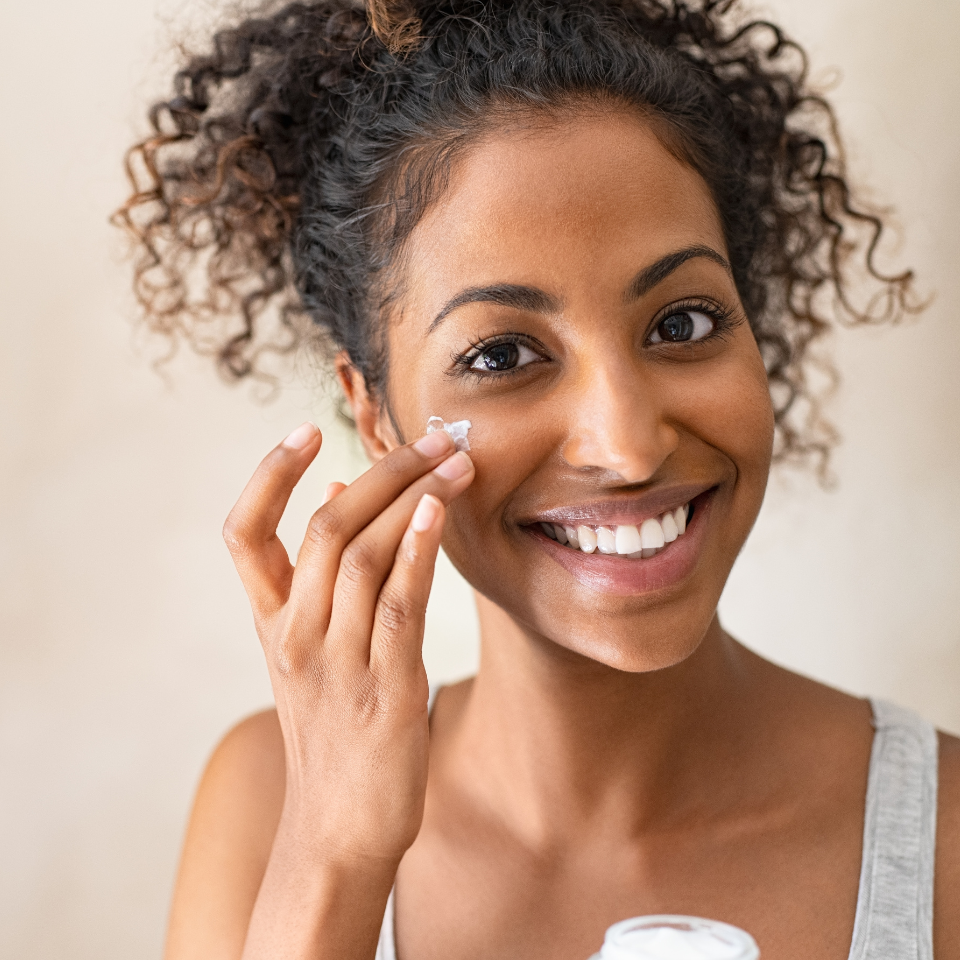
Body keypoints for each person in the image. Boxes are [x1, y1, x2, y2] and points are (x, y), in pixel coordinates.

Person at [116, 1, 959, 957]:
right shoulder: (270, 803)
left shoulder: (945, 842)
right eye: (504, 352)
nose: (629, 447)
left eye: (682, 324)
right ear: (374, 409)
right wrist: (334, 860)